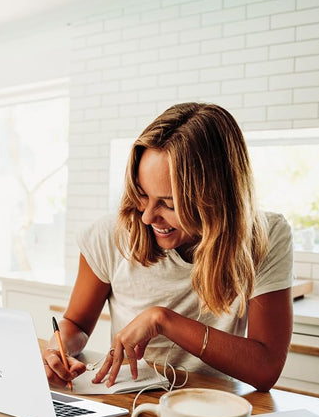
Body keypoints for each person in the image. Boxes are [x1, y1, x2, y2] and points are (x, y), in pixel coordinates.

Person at [43, 102, 293, 392]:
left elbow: (266, 369)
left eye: (169, 204)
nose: (148, 216)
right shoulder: (108, 235)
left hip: (212, 411)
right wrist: (56, 350)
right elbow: (76, 323)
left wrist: (163, 320)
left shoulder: (265, 236)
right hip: (128, 403)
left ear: (216, 198)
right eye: (142, 194)